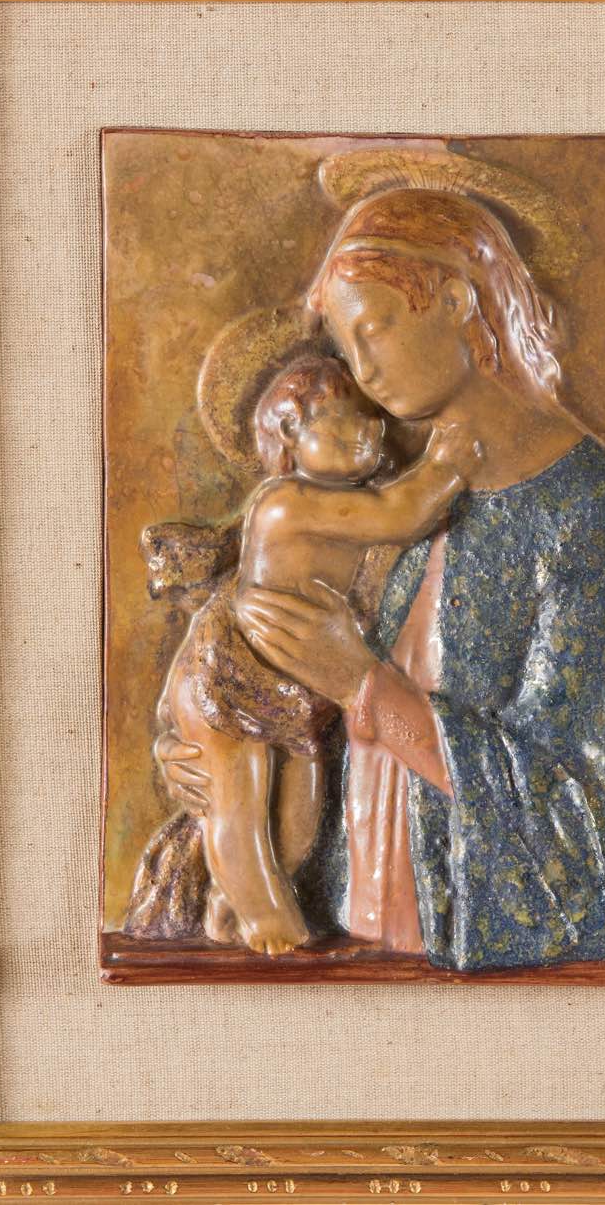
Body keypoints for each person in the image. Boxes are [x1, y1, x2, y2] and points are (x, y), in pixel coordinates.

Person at [223, 186, 605, 971]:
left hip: (498, 959)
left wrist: (363, 685)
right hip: (358, 931)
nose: (362, 370)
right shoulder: (405, 505)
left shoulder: (602, 511)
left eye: (375, 327)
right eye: (346, 345)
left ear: (454, 301)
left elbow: (597, 823)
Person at [125, 352, 481, 955]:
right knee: (237, 800)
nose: (370, 430)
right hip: (232, 677)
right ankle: (266, 917)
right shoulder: (287, 503)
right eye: (345, 421)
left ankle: (231, 902)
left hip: (295, 693)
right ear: (291, 432)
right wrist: (450, 461)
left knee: (298, 819)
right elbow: (401, 513)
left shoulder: (343, 502)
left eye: (372, 419)